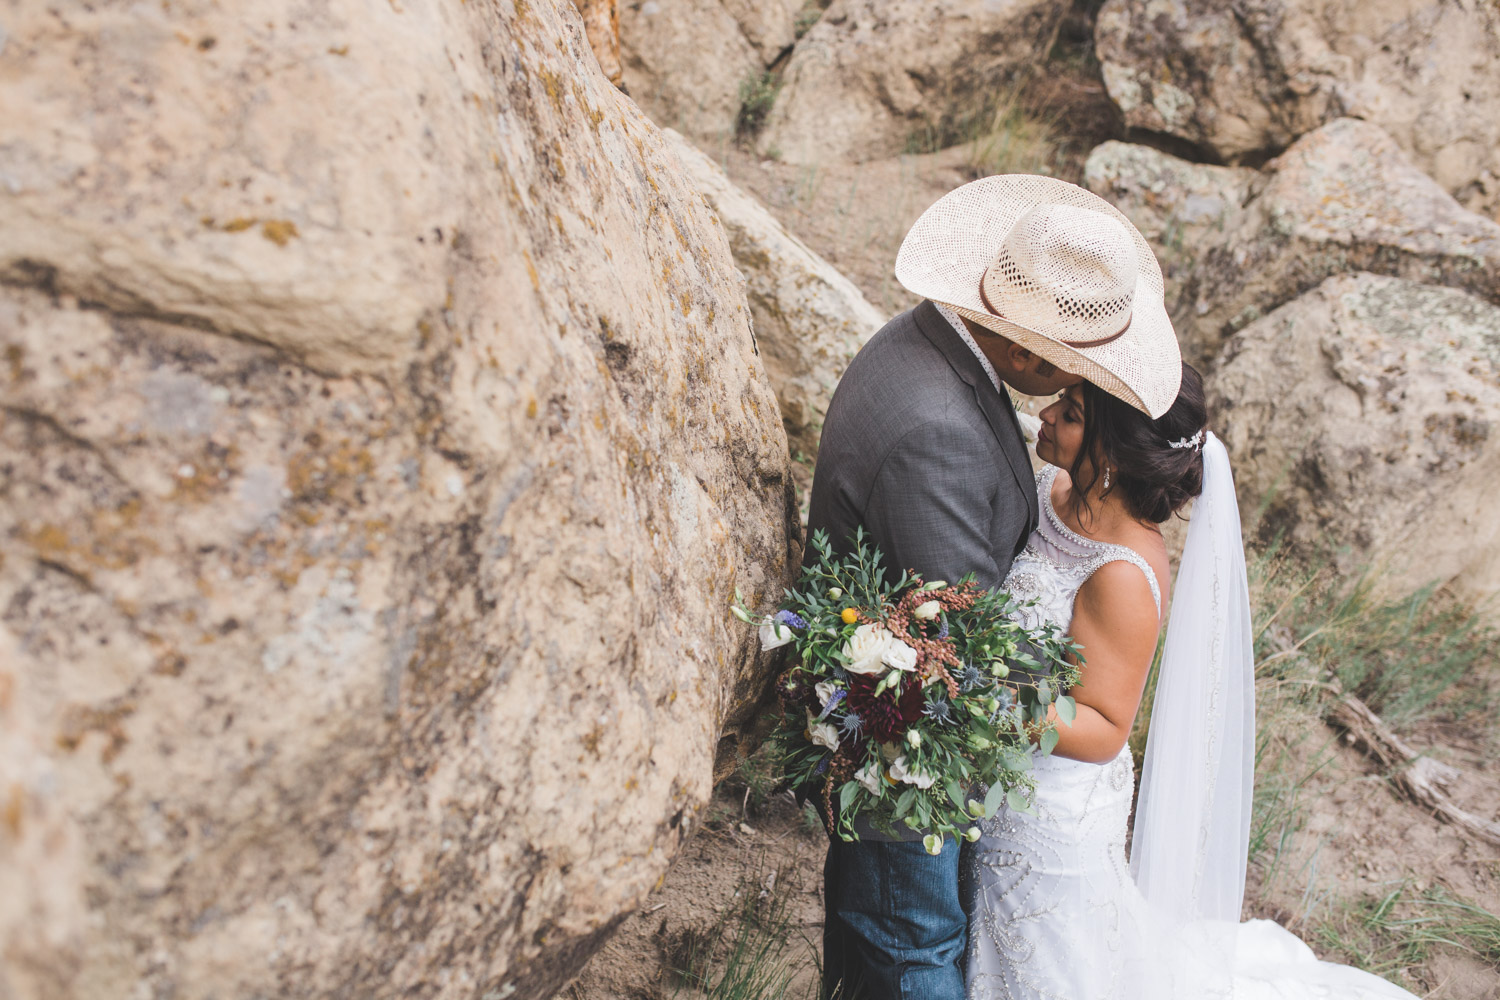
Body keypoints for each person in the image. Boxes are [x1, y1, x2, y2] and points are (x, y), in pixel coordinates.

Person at [807, 175, 1183, 1000]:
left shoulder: (933, 344)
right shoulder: (942, 428)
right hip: (910, 752)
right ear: (1024, 351)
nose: (1054, 405)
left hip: (1005, 778)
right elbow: (954, 642)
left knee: (904, 939)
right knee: (919, 949)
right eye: (1073, 377)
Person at [961, 368, 1423, 1000]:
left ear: (1113, 461)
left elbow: (1101, 727)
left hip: (1048, 810)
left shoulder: (1122, 573)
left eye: (1068, 414)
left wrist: (969, 701)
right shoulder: (1048, 490)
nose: (1044, 414)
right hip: (999, 776)